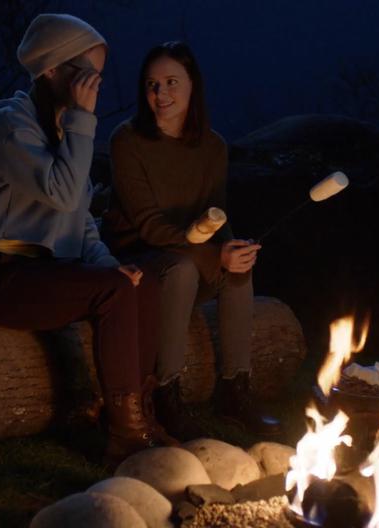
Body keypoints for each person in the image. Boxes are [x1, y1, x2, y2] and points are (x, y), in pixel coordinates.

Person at [0, 14, 175, 463]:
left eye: (98, 76)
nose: (93, 86)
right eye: (85, 75)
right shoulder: (9, 126)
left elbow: (81, 221)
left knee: (142, 281)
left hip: (47, 273)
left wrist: (110, 264)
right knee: (114, 292)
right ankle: (126, 436)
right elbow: (61, 193)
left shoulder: (65, 130)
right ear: (52, 71)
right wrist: (82, 120)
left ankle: (144, 413)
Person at [102, 41, 281, 438]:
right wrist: (214, 253)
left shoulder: (213, 146)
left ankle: (235, 387)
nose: (160, 94)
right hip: (139, 259)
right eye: (151, 85)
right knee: (183, 269)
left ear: (192, 86)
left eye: (171, 82)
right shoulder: (127, 140)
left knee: (239, 267)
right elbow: (147, 225)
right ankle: (165, 391)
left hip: (191, 251)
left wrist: (233, 249)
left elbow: (216, 215)